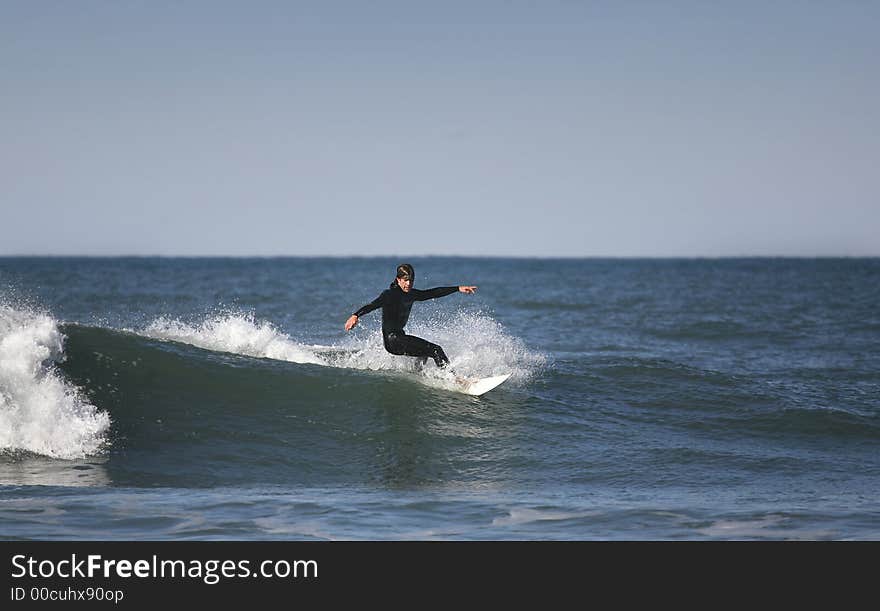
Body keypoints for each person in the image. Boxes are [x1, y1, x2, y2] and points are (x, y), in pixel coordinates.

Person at [344, 263, 477, 369]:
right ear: (398, 279)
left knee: (427, 352)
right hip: (393, 340)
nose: (408, 283)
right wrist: (355, 315)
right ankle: (453, 379)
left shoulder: (411, 294)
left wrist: (457, 288)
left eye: (411, 280)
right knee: (436, 350)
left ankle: (417, 373)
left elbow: (433, 293)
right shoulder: (389, 295)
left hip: (399, 339)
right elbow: (372, 305)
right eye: (405, 280)